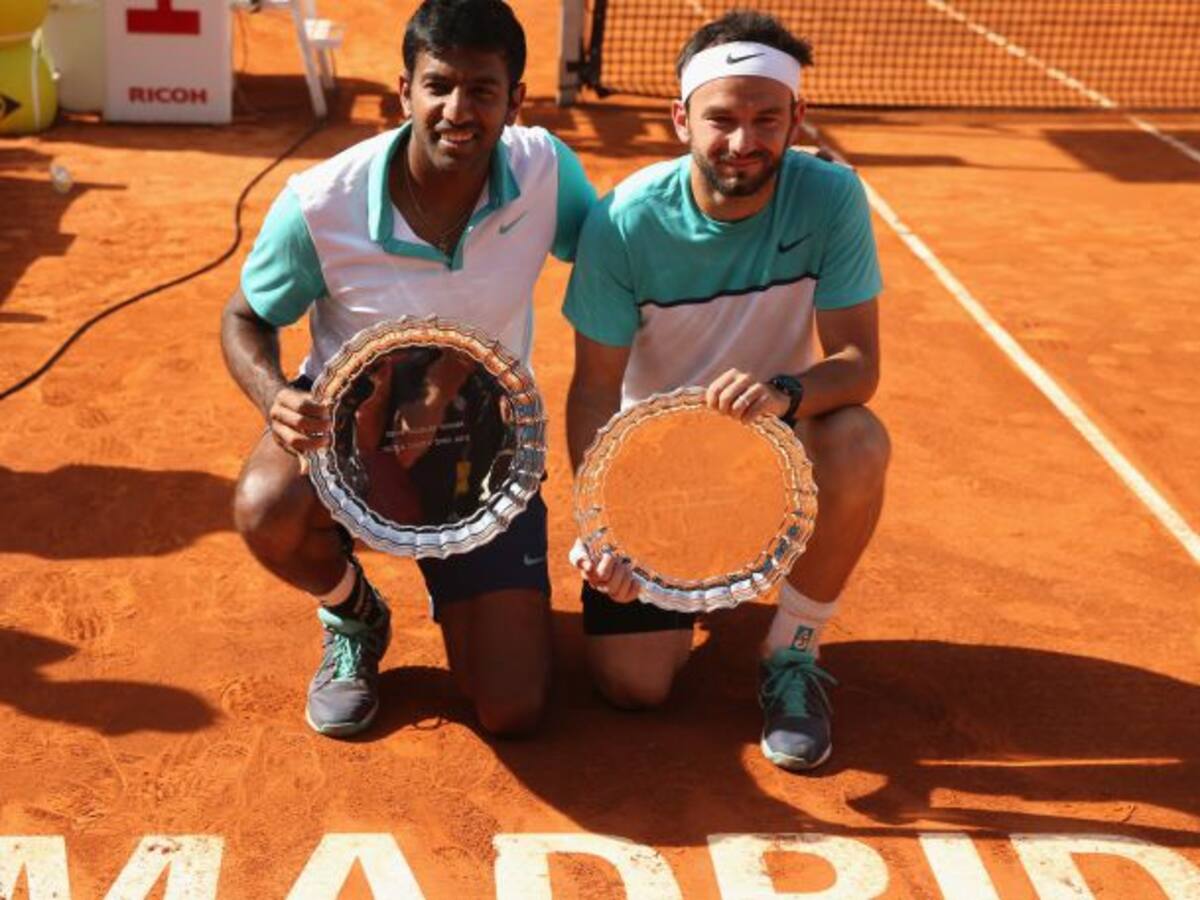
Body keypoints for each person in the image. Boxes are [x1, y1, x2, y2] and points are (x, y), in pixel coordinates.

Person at [220, 0, 595, 738]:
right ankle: (353, 612)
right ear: (405, 91)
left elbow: (616, 260)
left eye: (482, 90)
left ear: (515, 100)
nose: (458, 110)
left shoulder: (547, 172)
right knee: (267, 507)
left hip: (485, 449)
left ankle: (465, 582)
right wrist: (275, 397)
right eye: (439, 86)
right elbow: (243, 319)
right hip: (349, 433)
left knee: (512, 708)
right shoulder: (320, 205)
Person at [563, 10, 889, 771]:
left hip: (772, 448)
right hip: (655, 476)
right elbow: (594, 392)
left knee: (857, 438)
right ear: (682, 119)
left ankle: (792, 652)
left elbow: (857, 364)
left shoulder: (832, 198)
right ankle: (693, 577)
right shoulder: (623, 221)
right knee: (634, 685)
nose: (744, 141)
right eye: (722, 119)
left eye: (766, 119)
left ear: (797, 118)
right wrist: (604, 525)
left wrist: (784, 392)